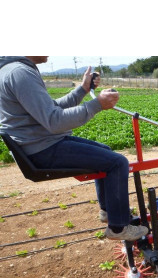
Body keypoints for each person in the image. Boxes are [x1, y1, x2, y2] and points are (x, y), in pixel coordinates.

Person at [0, 56, 148, 241]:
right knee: (118, 163)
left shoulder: (13, 70)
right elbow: (55, 120)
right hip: (43, 148)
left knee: (107, 152)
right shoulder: (20, 73)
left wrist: (83, 89)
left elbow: (52, 107)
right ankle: (118, 228)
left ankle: (109, 211)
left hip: (39, 143)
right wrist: (97, 105)